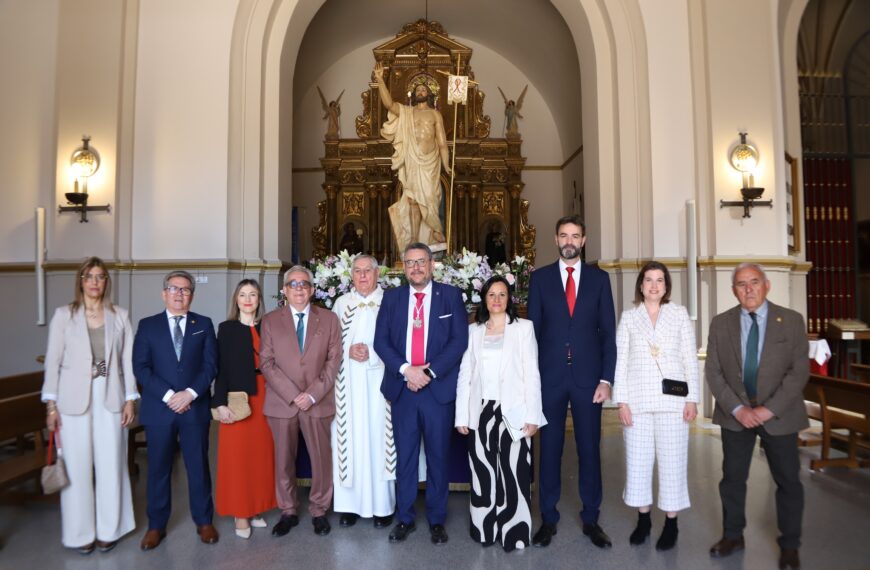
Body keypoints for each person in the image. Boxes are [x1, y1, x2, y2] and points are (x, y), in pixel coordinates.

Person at [705, 263, 809, 570]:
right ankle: (732, 535)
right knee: (733, 480)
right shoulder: (721, 323)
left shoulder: (790, 321)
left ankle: (790, 546)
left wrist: (768, 409)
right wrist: (738, 409)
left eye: (754, 282)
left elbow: (798, 371)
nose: (748, 289)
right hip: (735, 415)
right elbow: (713, 371)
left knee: (788, 481)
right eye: (741, 284)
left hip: (779, 416)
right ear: (733, 290)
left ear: (766, 285)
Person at [527, 214, 616, 549]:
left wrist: (606, 379)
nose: (568, 241)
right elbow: (532, 335)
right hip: (549, 378)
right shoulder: (540, 279)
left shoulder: (599, 280)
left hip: (588, 379)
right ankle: (548, 518)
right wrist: (531, 380)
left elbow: (608, 333)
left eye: (574, 236)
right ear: (555, 239)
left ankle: (591, 517)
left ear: (583, 240)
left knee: (589, 449)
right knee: (548, 450)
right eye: (563, 235)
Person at [41, 257, 138, 554]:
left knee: (111, 463)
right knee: (77, 467)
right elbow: (53, 361)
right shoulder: (64, 315)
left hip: (110, 393)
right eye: (89, 276)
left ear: (106, 281)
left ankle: (110, 529)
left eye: (100, 276)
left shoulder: (119, 315)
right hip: (72, 399)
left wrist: (130, 398)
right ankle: (79, 532)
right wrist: (51, 406)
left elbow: (127, 361)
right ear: (80, 281)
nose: (95, 282)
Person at [374, 242, 468, 545]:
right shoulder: (392, 298)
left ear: (432, 265)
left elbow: (458, 341)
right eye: (410, 263)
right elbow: (381, 342)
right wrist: (406, 370)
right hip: (403, 389)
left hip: (436, 390)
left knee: (439, 457)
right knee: (406, 458)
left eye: (421, 262)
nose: (416, 268)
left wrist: (426, 372)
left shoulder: (450, 296)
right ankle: (405, 518)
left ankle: (437, 519)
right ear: (405, 267)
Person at [455, 275, 546, 551]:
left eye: (502, 294)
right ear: (484, 298)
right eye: (491, 294)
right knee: (483, 473)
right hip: (482, 410)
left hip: (514, 410)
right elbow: (465, 375)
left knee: (514, 472)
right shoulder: (474, 331)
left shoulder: (523, 328)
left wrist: (533, 414)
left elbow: (532, 373)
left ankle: (515, 532)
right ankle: (485, 528)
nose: (496, 299)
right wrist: (461, 415)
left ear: (510, 299)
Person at [612, 261, 699, 551]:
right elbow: (620, 363)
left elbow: (689, 359)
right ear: (640, 285)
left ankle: (671, 523)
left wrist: (692, 399)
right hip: (637, 402)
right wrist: (621, 401)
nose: (653, 285)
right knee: (638, 464)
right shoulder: (628, 317)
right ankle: (644, 520)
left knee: (672, 463)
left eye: (659, 280)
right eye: (648, 280)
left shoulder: (679, 315)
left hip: (673, 402)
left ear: (666, 286)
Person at [133, 270, 219, 550]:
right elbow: (141, 368)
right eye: (174, 289)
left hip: (195, 408)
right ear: (164, 293)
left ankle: (204, 521)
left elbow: (210, 366)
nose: (179, 294)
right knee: (158, 469)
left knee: (198, 467)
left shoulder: (203, 324)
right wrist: (171, 395)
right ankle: (156, 525)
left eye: (185, 290)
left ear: (191, 295)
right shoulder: (148, 326)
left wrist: (190, 394)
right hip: (160, 409)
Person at [260, 266, 342, 538]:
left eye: (304, 284)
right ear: (284, 290)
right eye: (293, 284)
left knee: (321, 459)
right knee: (283, 459)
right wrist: (294, 395)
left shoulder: (329, 319)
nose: (298, 288)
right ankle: (288, 510)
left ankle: (319, 509)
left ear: (312, 289)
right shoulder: (271, 320)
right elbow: (267, 363)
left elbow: (333, 362)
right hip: (282, 403)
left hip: (317, 401)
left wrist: (312, 394)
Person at [331, 255, 395, 529]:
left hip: (382, 383)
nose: (362, 276)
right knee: (350, 440)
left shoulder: (391, 301)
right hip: (347, 385)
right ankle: (349, 506)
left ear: (377, 273)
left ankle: (383, 506)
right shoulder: (341, 303)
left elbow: (399, 342)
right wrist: (348, 350)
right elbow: (331, 345)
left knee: (380, 441)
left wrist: (371, 353)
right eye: (357, 271)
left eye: (367, 271)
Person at [213, 279, 277, 539]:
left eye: (253, 294)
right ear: (236, 300)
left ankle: (256, 508)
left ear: (259, 299)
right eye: (243, 294)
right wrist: (220, 403)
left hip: (267, 396)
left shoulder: (268, 326)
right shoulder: (227, 329)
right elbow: (221, 369)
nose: (248, 299)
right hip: (239, 398)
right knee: (238, 458)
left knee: (261, 456)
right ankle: (241, 513)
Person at [374, 62, 451, 252]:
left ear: (429, 94)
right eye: (418, 89)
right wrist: (380, 81)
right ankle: (415, 240)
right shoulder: (407, 112)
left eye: (424, 89)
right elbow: (389, 104)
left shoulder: (435, 115)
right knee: (413, 201)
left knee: (431, 200)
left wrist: (447, 165)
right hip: (412, 159)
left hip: (430, 162)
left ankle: (434, 232)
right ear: (414, 94)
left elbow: (442, 143)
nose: (421, 91)